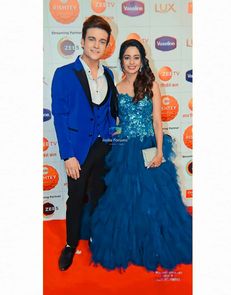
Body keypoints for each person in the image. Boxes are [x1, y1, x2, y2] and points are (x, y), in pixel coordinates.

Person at [90, 39, 192, 272]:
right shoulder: (116, 87)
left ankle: (154, 243)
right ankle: (130, 243)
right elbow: (116, 122)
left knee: (155, 199)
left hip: (149, 147)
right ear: (121, 61)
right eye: (127, 57)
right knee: (126, 200)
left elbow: (157, 120)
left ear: (142, 60)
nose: (132, 62)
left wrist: (159, 151)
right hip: (125, 150)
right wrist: (113, 141)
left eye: (136, 57)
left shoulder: (151, 84)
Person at [51, 15, 117, 271]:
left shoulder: (109, 73)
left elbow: (109, 111)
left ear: (107, 45)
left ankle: (95, 237)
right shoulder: (64, 74)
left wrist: (112, 138)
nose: (96, 45)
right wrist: (68, 155)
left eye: (102, 41)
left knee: (99, 195)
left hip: (103, 146)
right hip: (77, 151)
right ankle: (70, 244)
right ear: (82, 41)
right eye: (92, 39)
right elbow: (61, 116)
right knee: (76, 198)